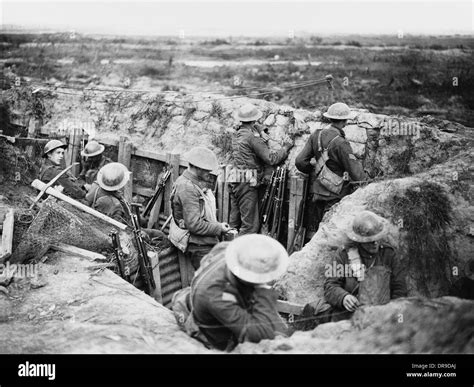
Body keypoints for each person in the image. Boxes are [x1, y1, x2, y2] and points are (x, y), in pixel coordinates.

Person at [304, 211, 407, 325]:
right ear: (359, 241)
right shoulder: (343, 254)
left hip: (381, 318)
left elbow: (399, 290)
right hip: (349, 317)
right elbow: (330, 286)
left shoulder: (389, 255)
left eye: (377, 239)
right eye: (370, 241)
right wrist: (344, 297)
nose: (375, 243)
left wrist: (390, 313)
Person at [191, 234, 290, 351]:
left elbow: (205, 260)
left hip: (230, 303)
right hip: (217, 338)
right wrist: (263, 289)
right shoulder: (214, 294)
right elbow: (260, 336)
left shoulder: (227, 249)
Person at [295, 102, 367, 231]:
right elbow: (357, 174)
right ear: (344, 121)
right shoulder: (341, 143)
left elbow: (300, 161)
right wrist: (368, 183)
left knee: (316, 229)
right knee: (330, 231)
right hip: (335, 194)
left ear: (329, 118)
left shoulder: (316, 135)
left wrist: (315, 170)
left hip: (317, 191)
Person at [229, 103, 294, 235]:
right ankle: (240, 253)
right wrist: (286, 148)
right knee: (250, 226)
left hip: (234, 178)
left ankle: (226, 249)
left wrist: (259, 131)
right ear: (254, 120)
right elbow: (271, 158)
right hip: (247, 181)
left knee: (233, 224)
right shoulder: (253, 139)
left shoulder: (237, 135)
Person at [170, 146, 230, 272]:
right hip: (198, 245)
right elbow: (194, 225)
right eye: (207, 171)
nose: (209, 173)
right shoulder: (187, 188)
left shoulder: (190, 182)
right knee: (213, 280)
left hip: (202, 240)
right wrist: (219, 228)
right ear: (197, 168)